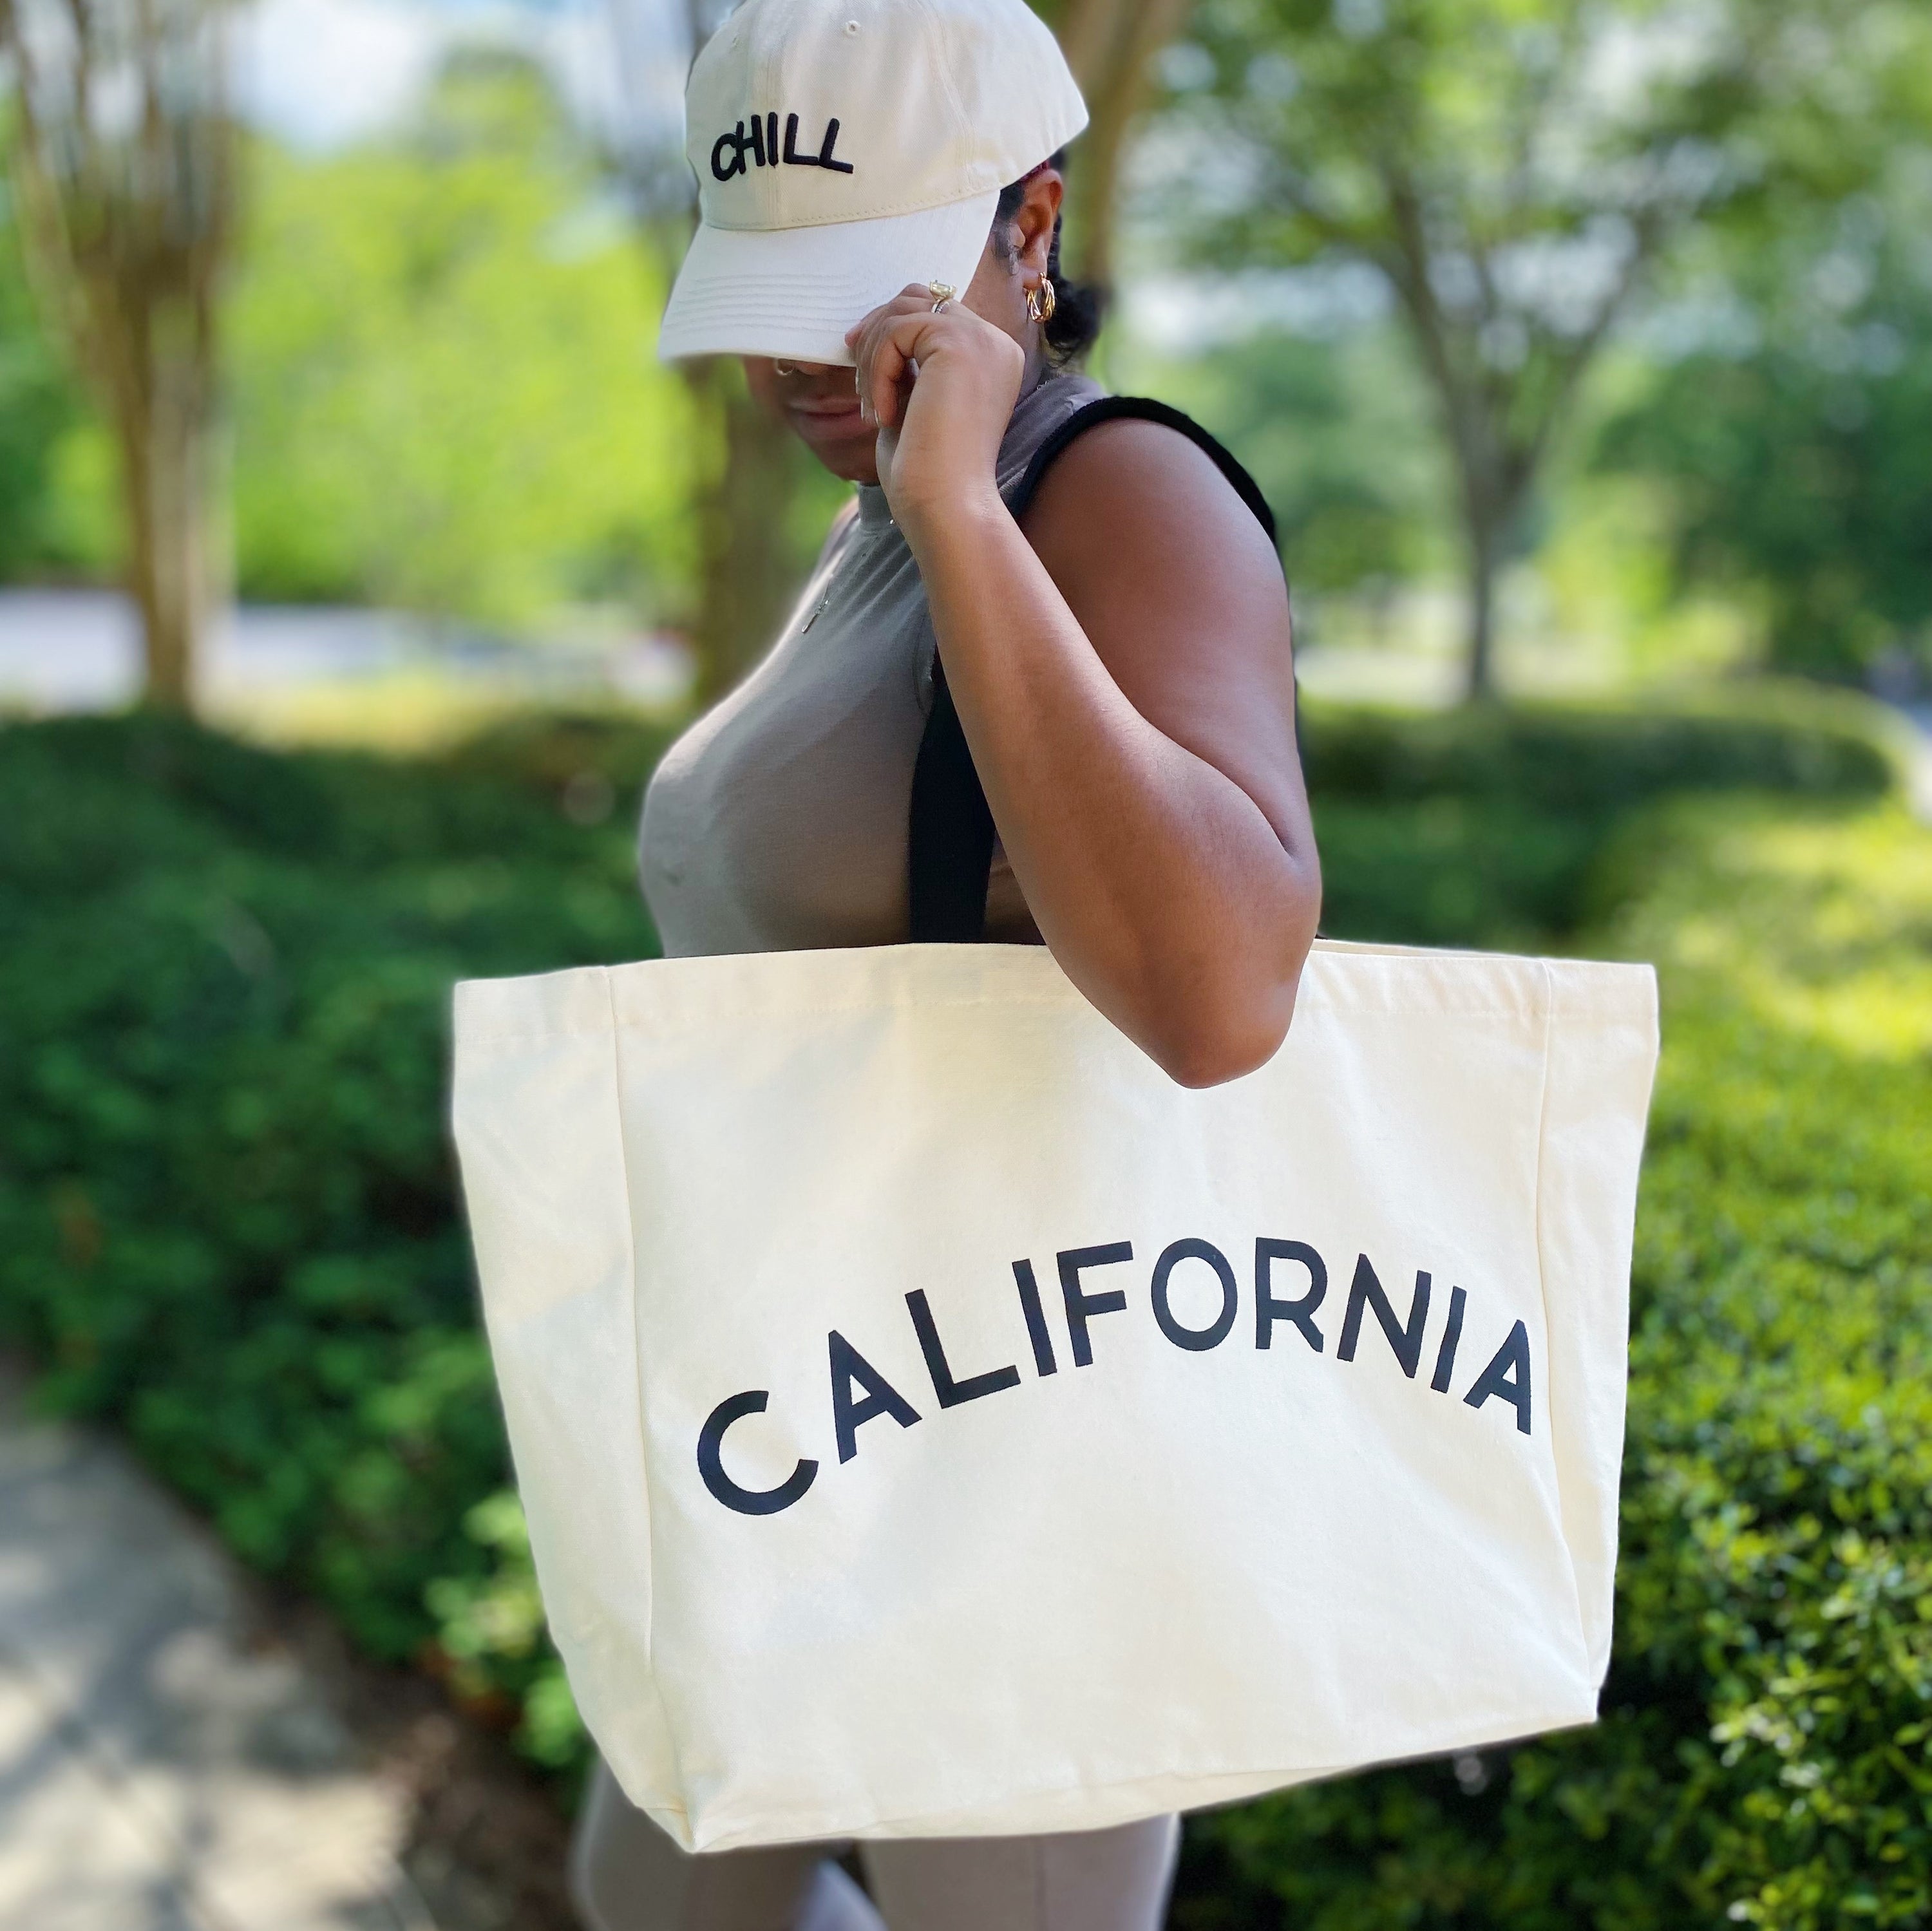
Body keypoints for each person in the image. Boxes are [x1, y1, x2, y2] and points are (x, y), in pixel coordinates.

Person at [571, 0, 1321, 1923]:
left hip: (1005, 1475)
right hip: (788, 1417)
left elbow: (1222, 995)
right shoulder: (876, 507)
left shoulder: (1106, 492)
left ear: (1033, 221)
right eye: (767, 288)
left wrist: (967, 510)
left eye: (861, 284)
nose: (801, 352)